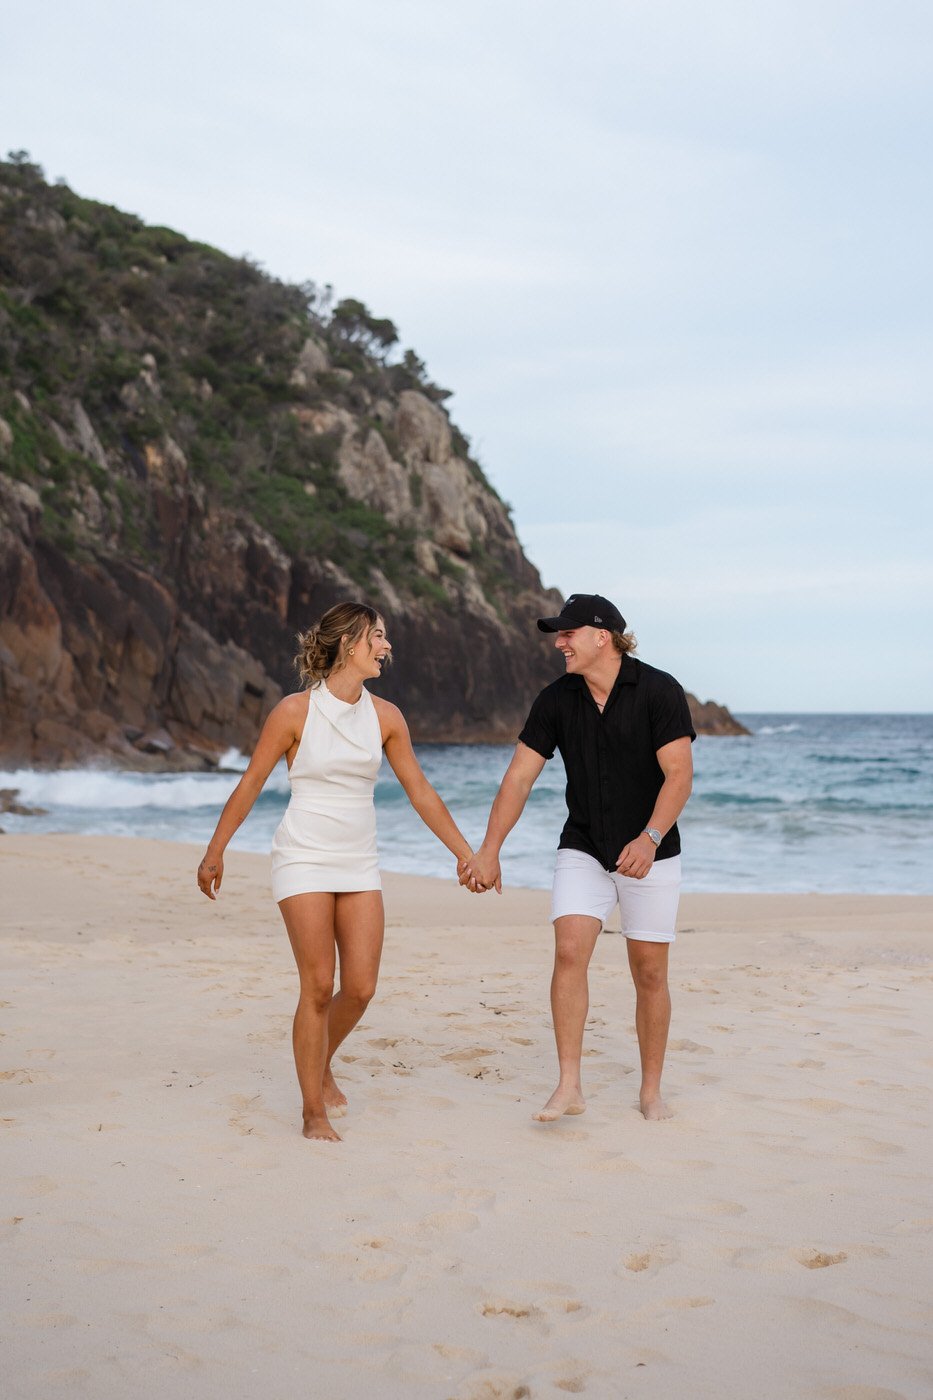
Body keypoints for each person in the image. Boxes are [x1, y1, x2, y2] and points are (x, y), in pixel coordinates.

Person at [197, 602, 474, 1142]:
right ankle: (311, 1111)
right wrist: (215, 850)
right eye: (378, 636)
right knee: (319, 985)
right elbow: (251, 781)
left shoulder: (387, 717)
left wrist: (464, 853)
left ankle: (319, 1058)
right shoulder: (293, 713)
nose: (386, 645)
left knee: (363, 987)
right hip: (302, 855)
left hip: (358, 860)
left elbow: (420, 792)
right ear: (350, 644)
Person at [461, 593, 694, 1123]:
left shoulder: (659, 691)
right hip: (584, 843)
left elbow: (679, 775)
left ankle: (651, 1091)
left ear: (601, 637)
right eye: (557, 634)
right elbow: (519, 777)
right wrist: (490, 850)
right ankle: (569, 1086)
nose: (559, 643)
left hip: (651, 851)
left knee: (650, 973)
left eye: (567, 634)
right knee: (569, 952)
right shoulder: (556, 699)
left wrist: (650, 837)